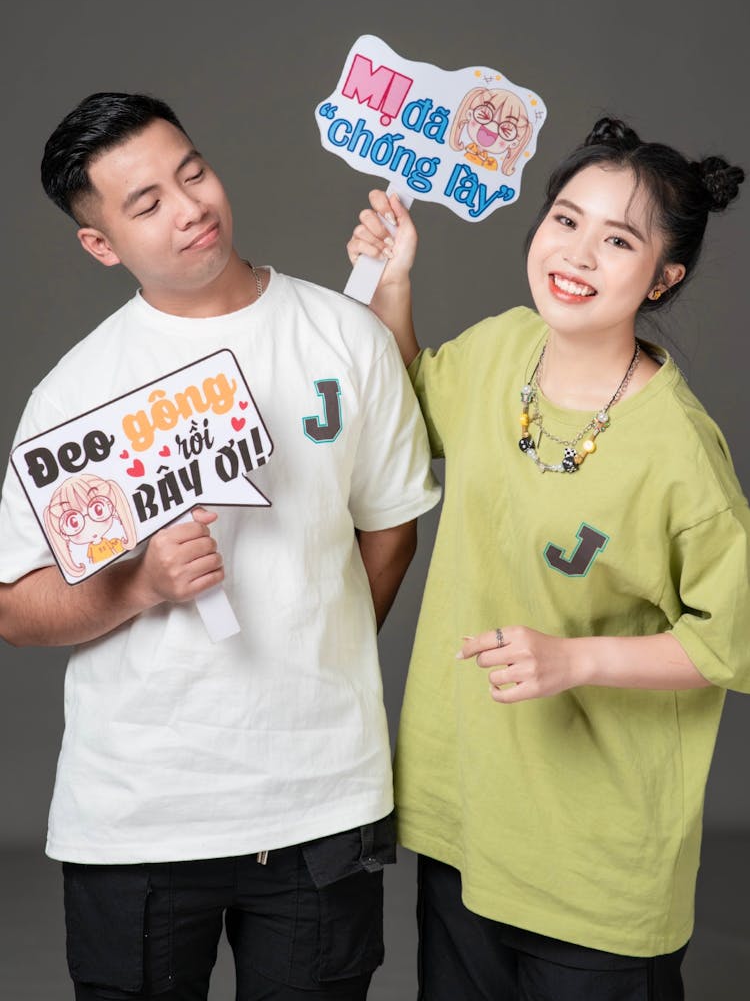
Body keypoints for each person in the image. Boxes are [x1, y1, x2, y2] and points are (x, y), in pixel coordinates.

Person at [0, 91, 440, 1001]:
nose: (190, 207)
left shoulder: (347, 339)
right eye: (147, 202)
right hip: (138, 818)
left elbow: (391, 526)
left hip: (324, 801)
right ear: (101, 244)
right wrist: (137, 587)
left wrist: (323, 637)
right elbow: (14, 604)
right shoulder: (75, 393)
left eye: (191, 172)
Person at [346, 116, 749, 1001]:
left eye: (618, 240)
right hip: (466, 820)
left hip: (595, 863)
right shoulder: (502, 347)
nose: (577, 253)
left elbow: (738, 640)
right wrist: (395, 281)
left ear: (664, 276)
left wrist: (578, 659)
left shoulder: (679, 448)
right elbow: (407, 414)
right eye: (565, 220)